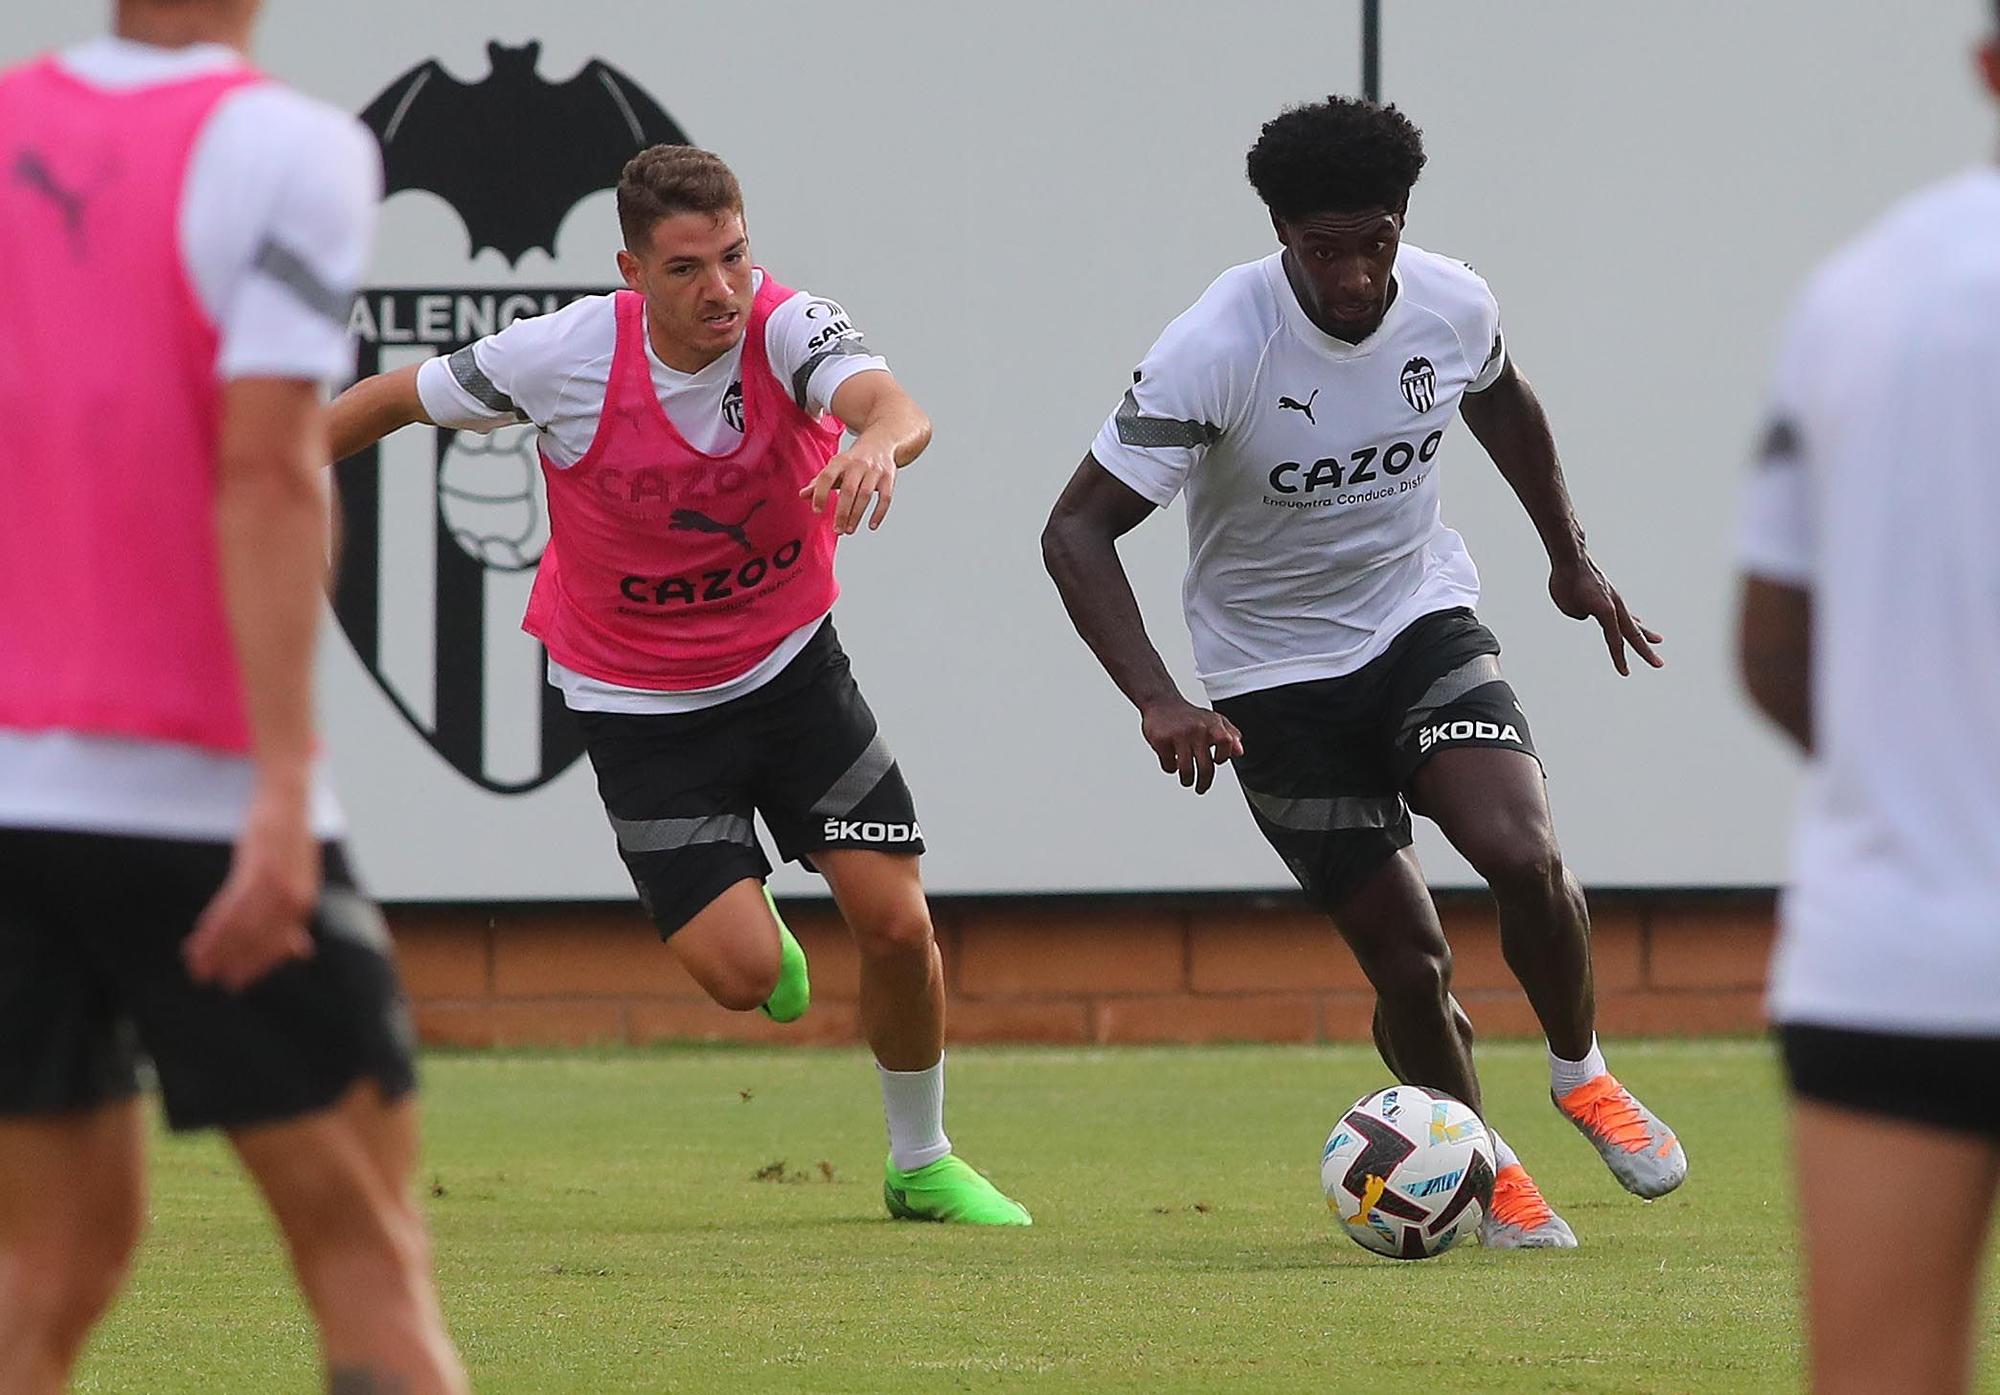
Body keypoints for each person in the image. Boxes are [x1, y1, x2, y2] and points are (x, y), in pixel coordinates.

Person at [328, 144, 1028, 1226]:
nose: (721, 290)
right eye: (688, 268)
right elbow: (389, 399)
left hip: (791, 673)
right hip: (637, 706)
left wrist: (878, 446)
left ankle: (921, 1160)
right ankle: (757, 931)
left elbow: (893, 406)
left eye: (735, 256)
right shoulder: (559, 356)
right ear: (632, 271)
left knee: (896, 926)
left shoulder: (790, 328)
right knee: (743, 979)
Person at [1043, 96, 1686, 1248]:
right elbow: (1074, 531)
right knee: (1410, 964)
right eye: (1321, 251)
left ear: (1401, 223)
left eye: (1374, 244)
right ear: (1280, 234)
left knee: (1521, 852)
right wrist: (1158, 697)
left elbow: (1501, 404)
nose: (1350, 278)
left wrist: (1570, 559)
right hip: (1271, 682)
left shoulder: (1451, 302)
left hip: (1415, 622)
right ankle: (1484, 1169)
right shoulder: (1213, 348)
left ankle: (1580, 1074)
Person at [0, 2, 468, 1393]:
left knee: (48, 1268)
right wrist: (280, 782)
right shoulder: (289, 147)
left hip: (12, 807)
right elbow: (268, 468)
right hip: (193, 803)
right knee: (368, 1254)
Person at [1737, 18, 2000, 1390]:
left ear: (1987, 69)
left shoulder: (1857, 292)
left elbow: (1770, 650)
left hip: (1889, 956)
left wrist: (1921, 781)